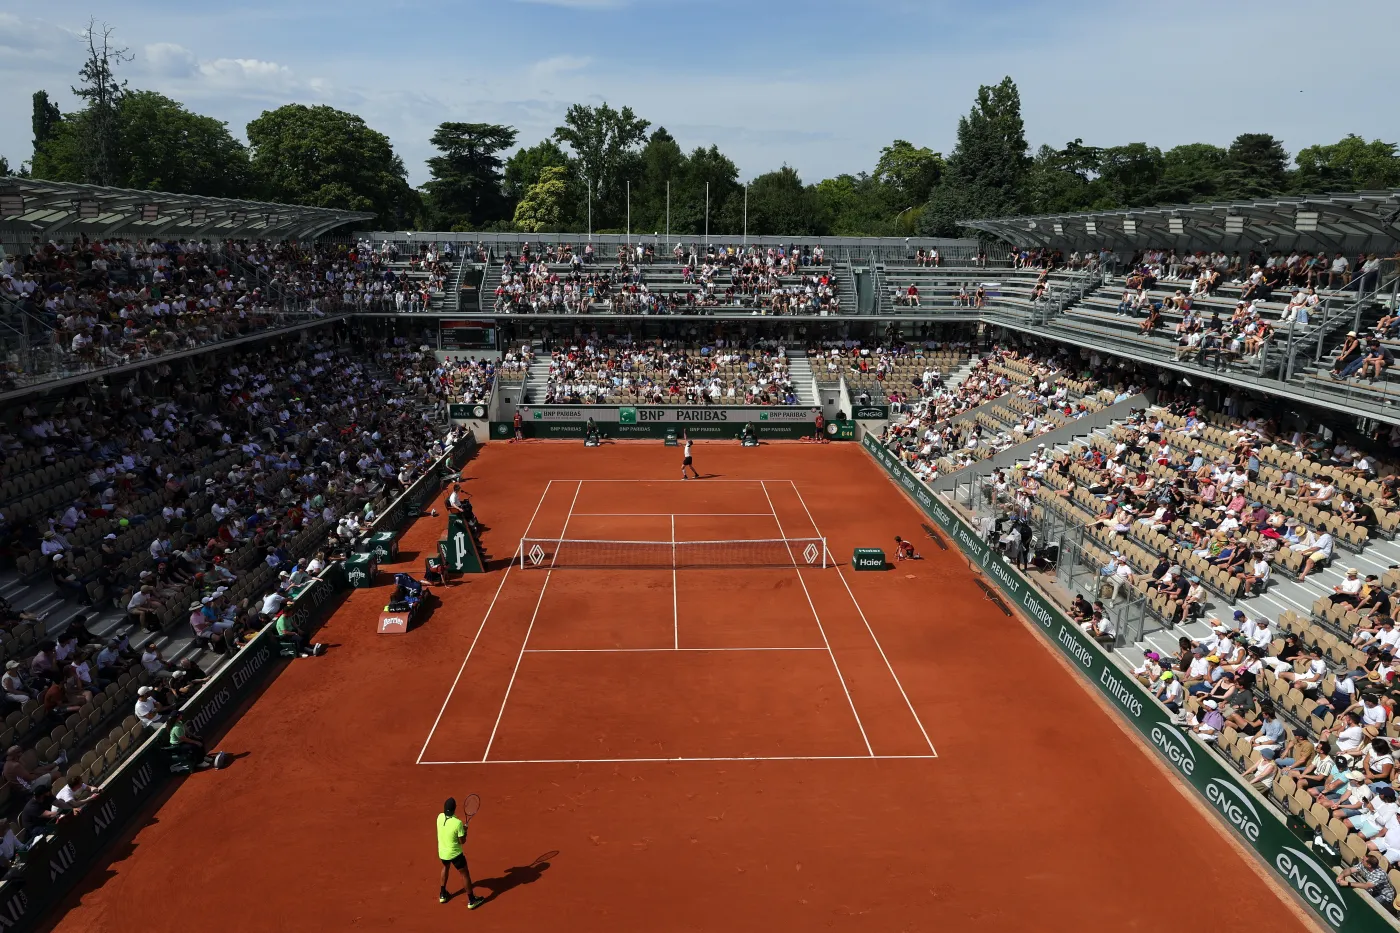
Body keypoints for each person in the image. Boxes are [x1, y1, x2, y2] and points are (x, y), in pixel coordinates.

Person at [437, 797, 484, 909]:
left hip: (443, 853)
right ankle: (472, 900)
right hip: (455, 854)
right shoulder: (457, 823)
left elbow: (449, 829)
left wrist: (461, 830)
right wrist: (464, 831)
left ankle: (442, 894)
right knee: (465, 874)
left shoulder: (439, 817)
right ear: (455, 809)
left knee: (445, 867)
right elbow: (462, 841)